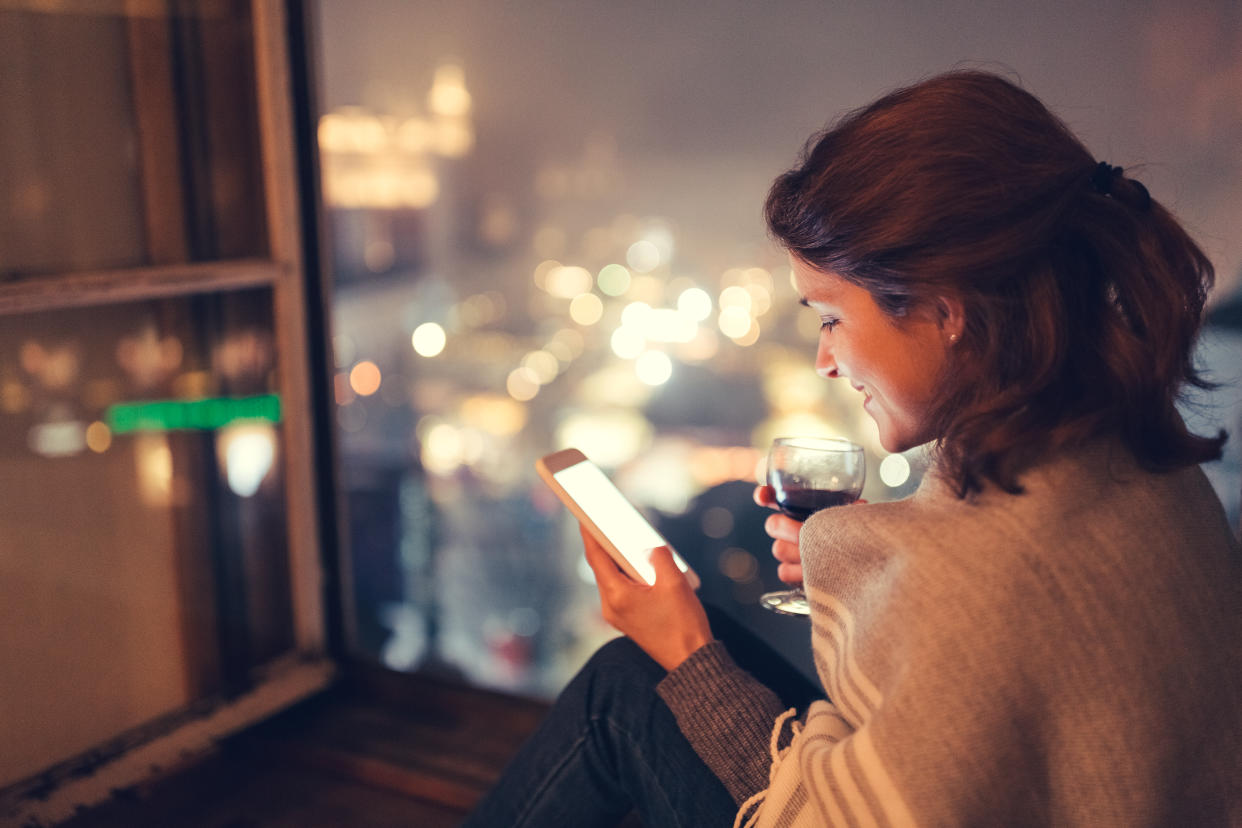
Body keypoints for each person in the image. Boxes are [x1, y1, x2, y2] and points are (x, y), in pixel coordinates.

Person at [463, 70, 1242, 827]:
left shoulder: (978, 581)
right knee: (668, 654)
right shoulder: (1131, 450)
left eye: (830, 316)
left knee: (629, 688)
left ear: (945, 310)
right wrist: (884, 569)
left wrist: (689, 654)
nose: (825, 361)